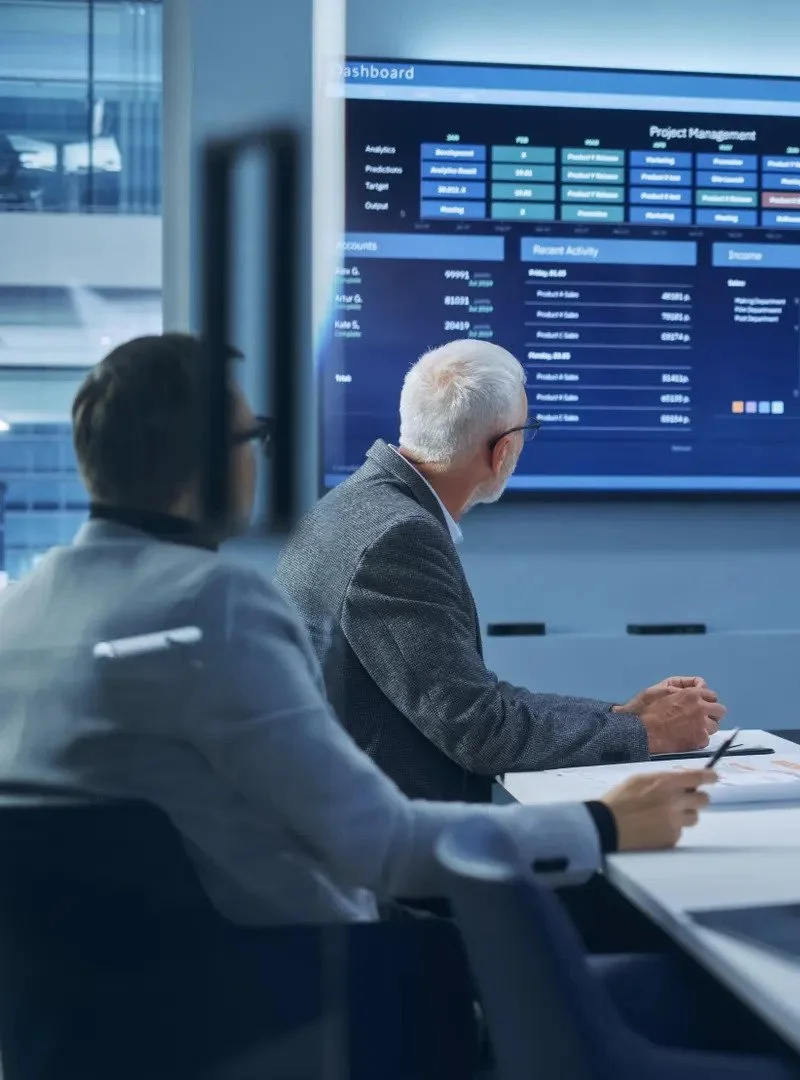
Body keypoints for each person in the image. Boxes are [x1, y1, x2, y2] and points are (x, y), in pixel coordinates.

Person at [0, 333, 713, 926]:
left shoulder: (23, 609)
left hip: (110, 1006)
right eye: (257, 435)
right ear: (216, 463)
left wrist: (622, 720)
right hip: (302, 985)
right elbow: (382, 840)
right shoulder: (212, 606)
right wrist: (604, 824)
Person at [277, 339, 725, 802]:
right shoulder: (398, 536)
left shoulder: (355, 505)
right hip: (391, 844)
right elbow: (478, 730)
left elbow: (471, 694)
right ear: (503, 451)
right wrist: (647, 734)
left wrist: (623, 716)